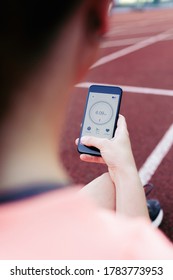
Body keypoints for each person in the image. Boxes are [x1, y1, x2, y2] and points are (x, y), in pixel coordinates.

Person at [0, 0, 173, 259]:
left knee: (109, 186)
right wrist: (125, 169)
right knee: (118, 183)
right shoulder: (145, 255)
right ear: (98, 20)